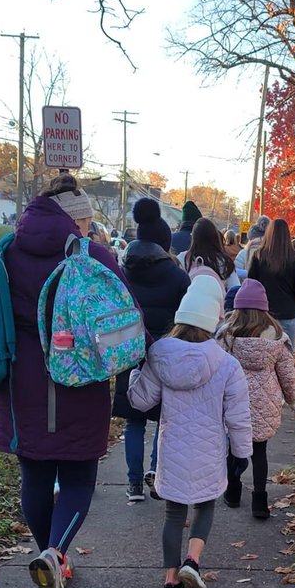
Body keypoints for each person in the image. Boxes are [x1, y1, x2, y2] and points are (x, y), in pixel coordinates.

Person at [0, 174, 142, 588]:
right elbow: (120, 311)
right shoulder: (91, 255)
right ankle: (55, 555)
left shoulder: (5, 254)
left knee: (34, 477)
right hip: (76, 380)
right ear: (77, 219)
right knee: (78, 480)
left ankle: (48, 554)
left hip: (18, 386)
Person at [128, 275, 252, 588]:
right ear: (215, 319)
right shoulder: (227, 365)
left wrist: (135, 372)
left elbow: (140, 401)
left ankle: (170, 583)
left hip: (172, 450)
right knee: (206, 505)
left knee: (173, 513)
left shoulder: (158, 356)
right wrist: (241, 454)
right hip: (210, 450)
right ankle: (192, 562)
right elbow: (237, 417)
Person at [113, 197, 190, 502]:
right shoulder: (178, 277)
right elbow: (185, 319)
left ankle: (132, 485)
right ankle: (156, 472)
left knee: (133, 421)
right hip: (165, 353)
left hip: (129, 352)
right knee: (163, 417)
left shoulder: (122, 273)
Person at [218, 278, 295, 520]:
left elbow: (216, 367)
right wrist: (293, 400)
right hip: (266, 402)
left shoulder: (227, 335)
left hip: (234, 401)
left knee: (234, 448)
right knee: (260, 451)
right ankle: (260, 502)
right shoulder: (277, 337)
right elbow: (287, 374)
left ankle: (232, 492)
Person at [248, 218, 295, 351]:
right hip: (288, 312)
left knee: (263, 356)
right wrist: (293, 303)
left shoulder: (259, 256)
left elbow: (251, 284)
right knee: (286, 358)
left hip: (263, 313)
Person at [178, 217, 240, 292]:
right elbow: (235, 290)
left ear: (193, 238)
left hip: (188, 302)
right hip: (217, 302)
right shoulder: (225, 262)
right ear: (215, 237)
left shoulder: (183, 259)